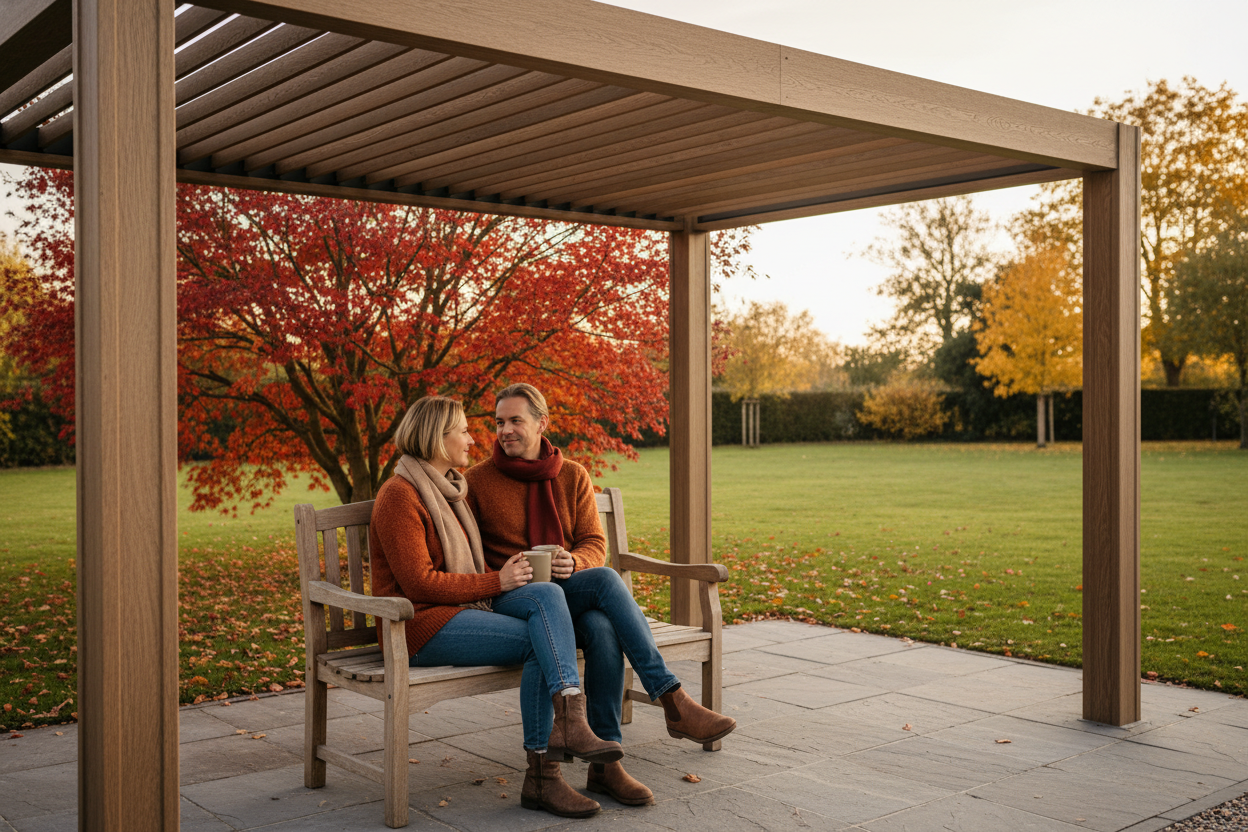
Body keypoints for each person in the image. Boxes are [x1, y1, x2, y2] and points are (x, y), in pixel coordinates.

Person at [466, 383, 736, 807]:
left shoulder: (572, 474)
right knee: (607, 592)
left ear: (542, 423)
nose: (505, 430)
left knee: (601, 624)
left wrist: (573, 563)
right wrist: (505, 575)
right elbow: (466, 555)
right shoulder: (477, 480)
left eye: (516, 420)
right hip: (514, 598)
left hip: (565, 592)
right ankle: (672, 700)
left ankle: (605, 766)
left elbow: (594, 542)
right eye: (499, 422)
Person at [368, 395, 619, 819]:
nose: (472, 438)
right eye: (463, 431)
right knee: (543, 642)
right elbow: (417, 583)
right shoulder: (400, 495)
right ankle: (548, 768)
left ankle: (553, 756)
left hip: (462, 612)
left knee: (551, 613)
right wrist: (496, 581)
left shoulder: (449, 489)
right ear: (436, 438)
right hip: (416, 627)